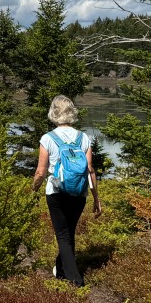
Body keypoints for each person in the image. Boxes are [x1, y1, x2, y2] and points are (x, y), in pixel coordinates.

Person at [31, 94, 101, 285]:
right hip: (79, 193)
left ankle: (75, 280)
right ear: (71, 112)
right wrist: (96, 198)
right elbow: (90, 169)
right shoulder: (83, 137)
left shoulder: (48, 138)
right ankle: (61, 270)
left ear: (53, 113)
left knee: (62, 234)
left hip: (57, 193)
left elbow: (40, 171)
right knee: (68, 232)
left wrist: (33, 190)